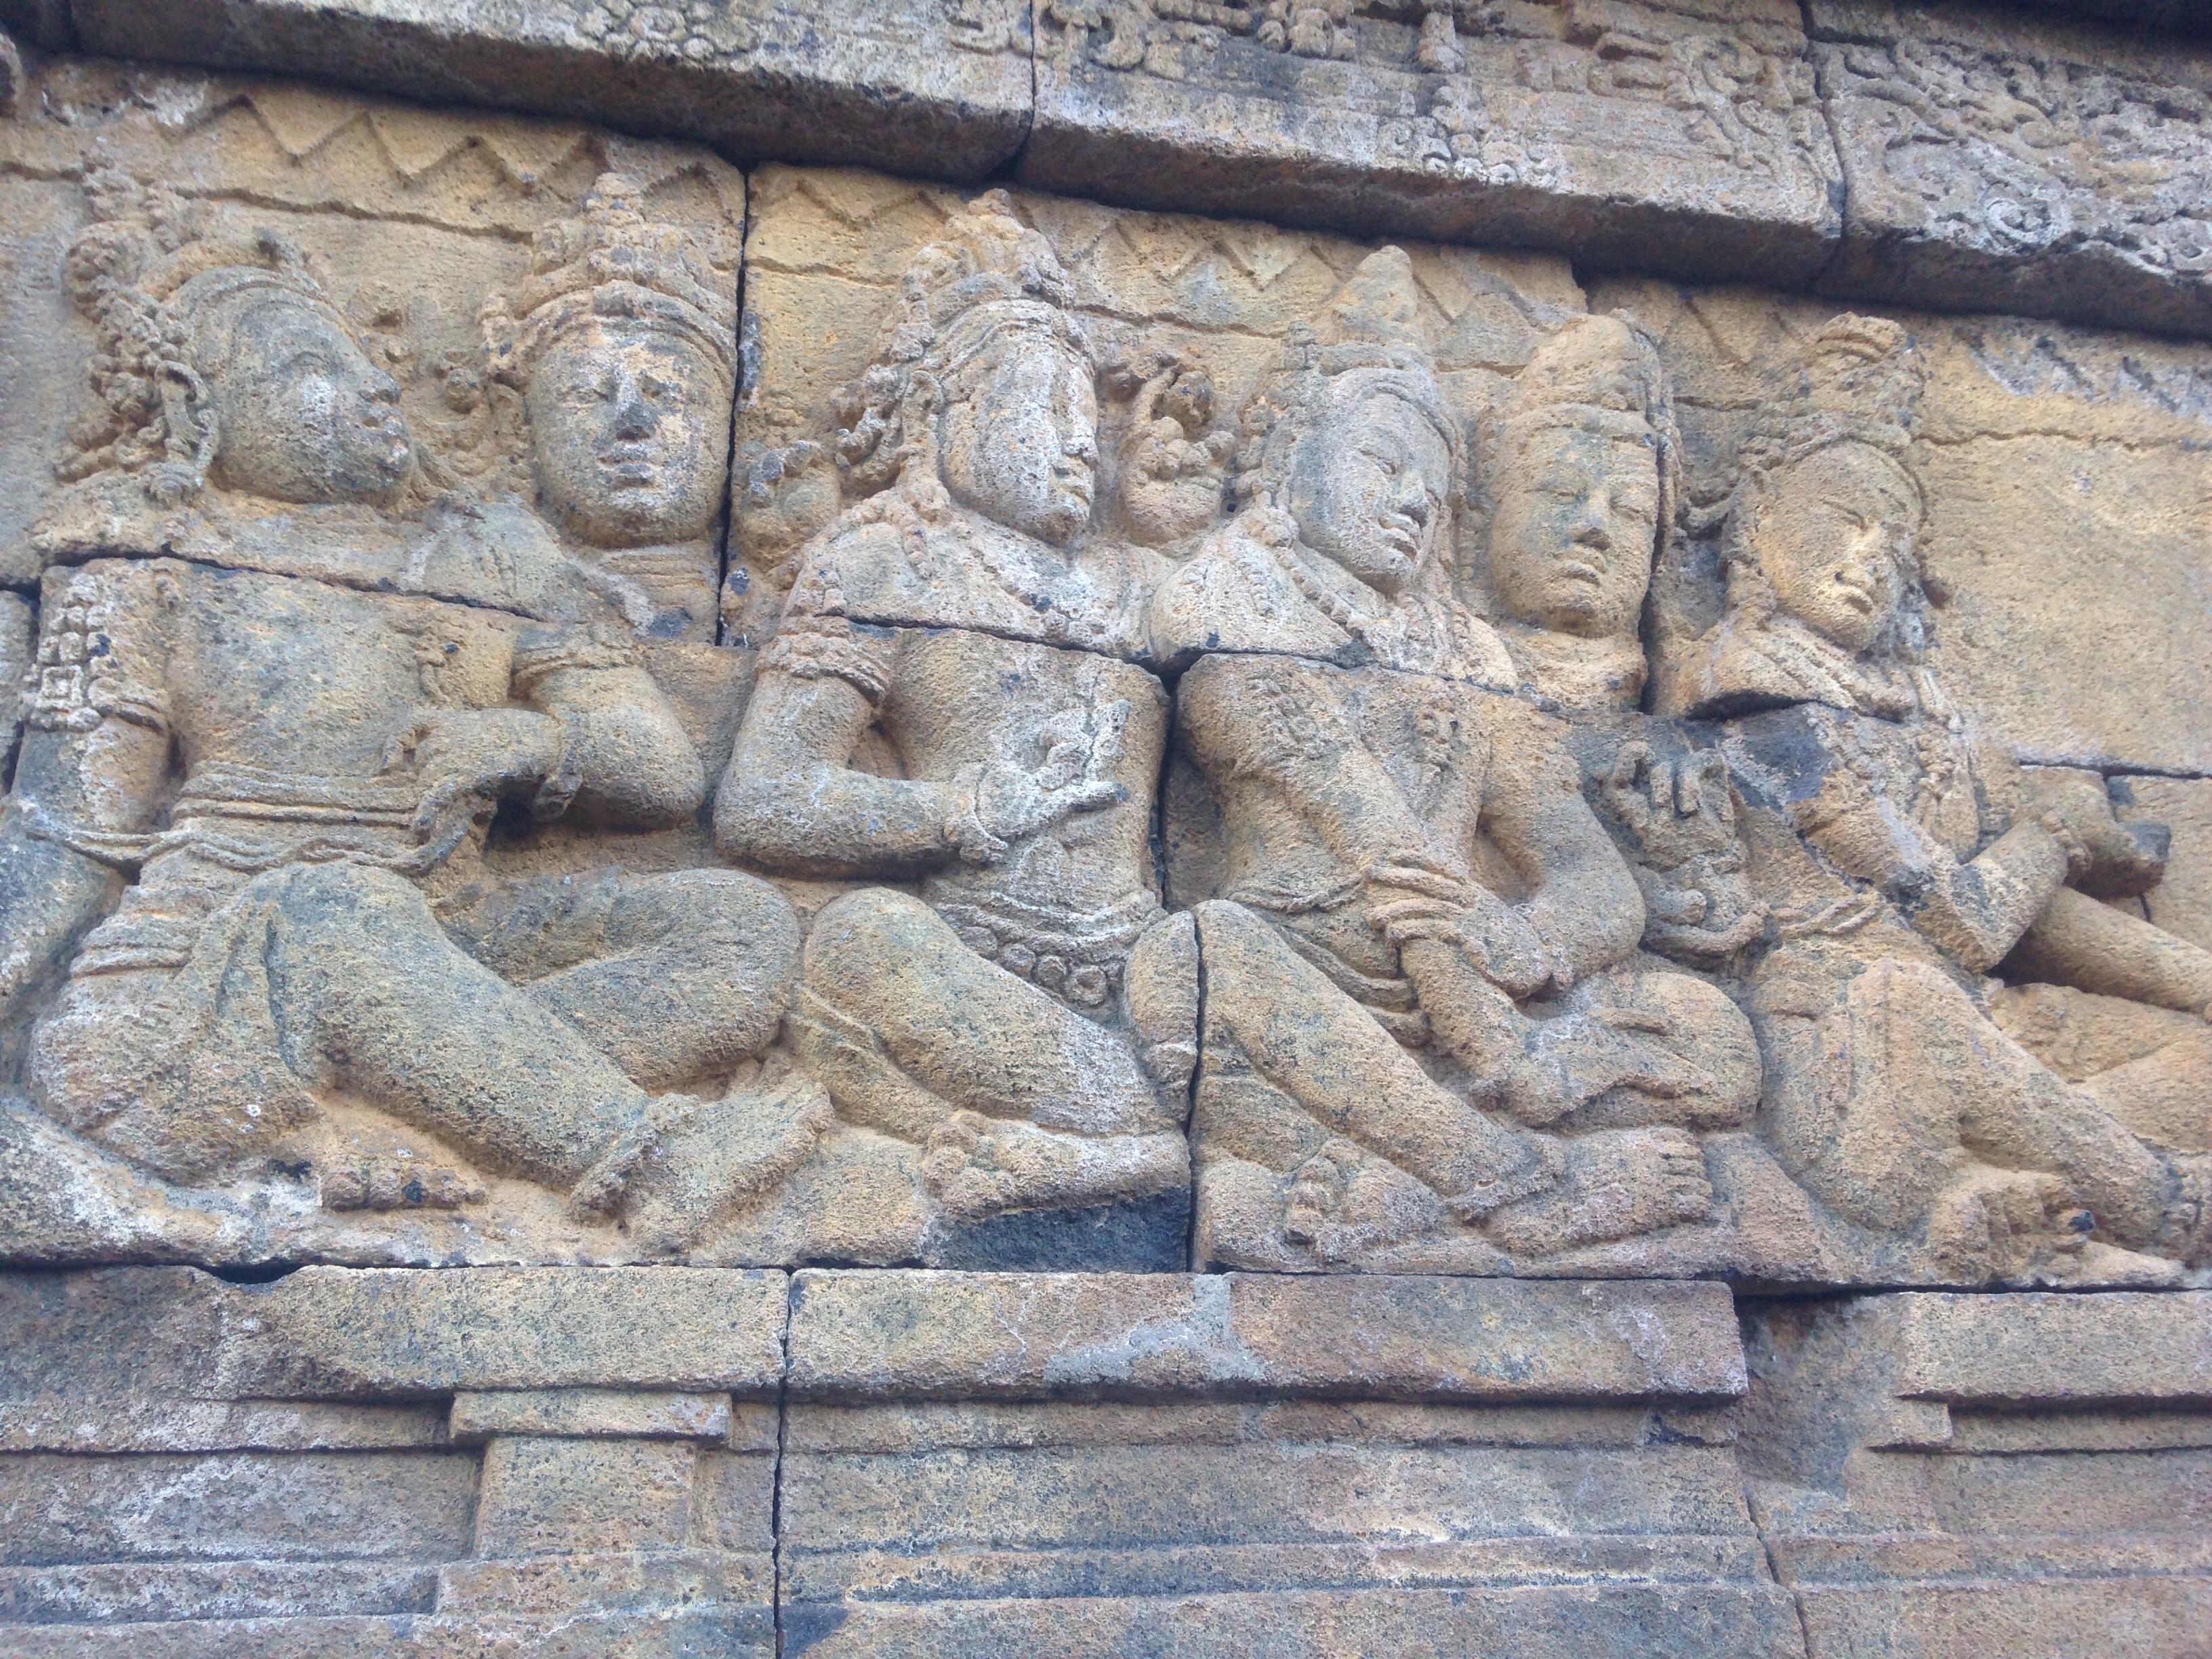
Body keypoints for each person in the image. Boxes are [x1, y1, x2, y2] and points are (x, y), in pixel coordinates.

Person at [1, 189, 817, 1248]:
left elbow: (660, 772)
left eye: (365, 363)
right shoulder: (146, 573)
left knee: (740, 927)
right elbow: (65, 846)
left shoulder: (492, 556)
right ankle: (654, 1161)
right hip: (200, 1000)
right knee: (337, 914)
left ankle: (448, 1095)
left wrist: (528, 742)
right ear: (199, 415)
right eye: (315, 371)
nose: (373, 387)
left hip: (451, 941)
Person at [1151, 253, 1757, 1268]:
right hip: (1314, 992)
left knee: (1718, 1040)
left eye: (1434, 488)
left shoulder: (1470, 655)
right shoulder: (1229, 610)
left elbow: (1591, 878)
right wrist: (1496, 1046)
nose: (1413, 504)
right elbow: (1380, 849)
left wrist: (1530, 942)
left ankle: (1401, 1201)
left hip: (1479, 1003)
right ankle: (1527, 1184)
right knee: (1196, 958)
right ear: (1291, 459)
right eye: (1379, 467)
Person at [1670, 315, 2211, 1275]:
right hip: (1851, 1086)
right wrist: (2052, 835)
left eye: (1898, 534)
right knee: (1911, 1001)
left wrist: (2195, 982)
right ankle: (2161, 1204)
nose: (1874, 555)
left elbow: (2036, 924)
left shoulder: (1929, 729)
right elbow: (1967, 921)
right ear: (1759, 523)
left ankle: (2022, 1206)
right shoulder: (1761, 718)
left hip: (1992, 1048)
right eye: (1844, 516)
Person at [715, 192, 1191, 1228]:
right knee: (860, 944)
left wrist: (1195, 529)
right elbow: (762, 799)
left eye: (1088, 416)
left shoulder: (1144, 583)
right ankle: (1155, 1142)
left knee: (1233, 958)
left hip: (1143, 971)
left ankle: (1116, 1148)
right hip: (964, 959)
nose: (1079, 445)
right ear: (942, 417)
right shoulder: (881, 556)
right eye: (1041, 406)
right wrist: (960, 814)